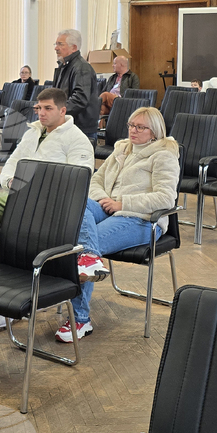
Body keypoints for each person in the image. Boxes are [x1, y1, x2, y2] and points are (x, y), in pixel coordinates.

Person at [56, 106, 179, 342]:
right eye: (131, 125)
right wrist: (104, 199)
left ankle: (80, 320)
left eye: (140, 127)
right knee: (72, 204)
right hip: (108, 207)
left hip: (140, 219)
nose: (133, 130)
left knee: (78, 246)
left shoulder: (164, 155)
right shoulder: (122, 148)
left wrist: (122, 203)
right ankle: (90, 260)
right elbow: (96, 179)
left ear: (154, 132)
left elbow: (165, 198)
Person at [0, 87, 94, 331]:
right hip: (18, 196)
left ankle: (15, 301)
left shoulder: (77, 140)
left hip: (51, 205)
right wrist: (10, 181)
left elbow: (78, 182)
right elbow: (13, 162)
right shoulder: (32, 133)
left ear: (62, 110)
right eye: (38, 108)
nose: (41, 114)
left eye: (47, 109)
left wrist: (34, 190)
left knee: (16, 231)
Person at [52, 29, 100, 142]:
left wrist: (57, 112)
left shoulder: (81, 68)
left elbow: (80, 99)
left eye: (60, 44)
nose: (56, 48)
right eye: (56, 44)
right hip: (68, 124)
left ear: (74, 47)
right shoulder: (65, 66)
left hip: (80, 128)